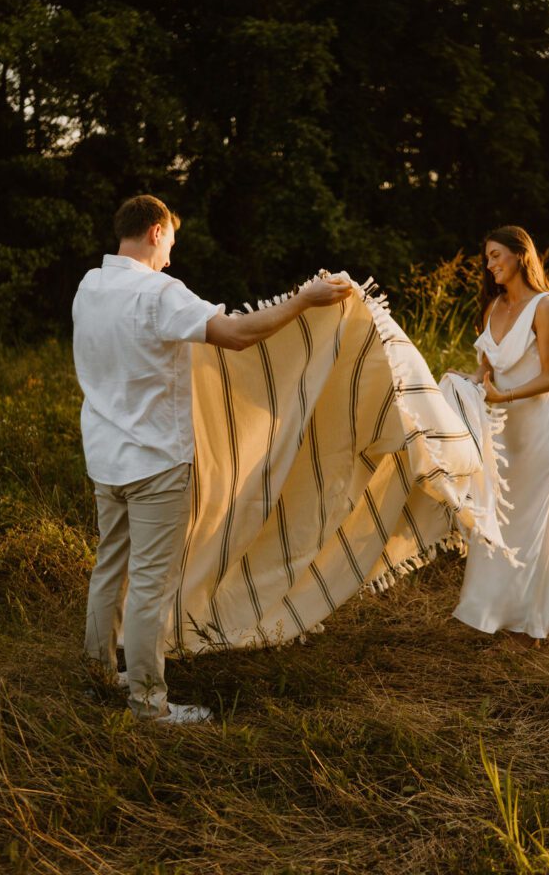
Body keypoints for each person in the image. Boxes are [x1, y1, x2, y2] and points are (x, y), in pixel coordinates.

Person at [72, 194, 351, 723]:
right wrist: (306, 300)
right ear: (156, 231)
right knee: (151, 584)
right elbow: (239, 336)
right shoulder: (159, 292)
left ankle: (98, 679)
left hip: (106, 457)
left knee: (110, 569)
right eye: (171, 243)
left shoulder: (90, 286)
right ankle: (148, 706)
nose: (171, 257)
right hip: (155, 462)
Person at [449, 225, 549, 648]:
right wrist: (465, 382)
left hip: (536, 434)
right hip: (499, 434)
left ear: (520, 255)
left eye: (496, 255)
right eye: (487, 258)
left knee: (529, 526)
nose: (490, 265)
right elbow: (486, 372)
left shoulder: (545, 307)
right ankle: (487, 613)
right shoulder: (492, 307)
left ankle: (527, 625)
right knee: (495, 521)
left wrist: (505, 395)